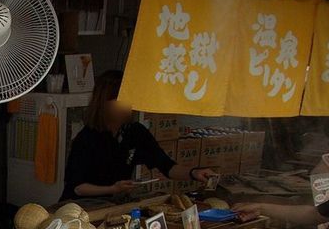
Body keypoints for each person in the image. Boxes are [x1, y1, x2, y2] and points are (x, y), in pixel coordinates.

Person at [61, 70, 217, 201]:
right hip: (79, 207)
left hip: (113, 205)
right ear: (104, 103)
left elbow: (167, 166)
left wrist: (194, 173)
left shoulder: (135, 132)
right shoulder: (87, 138)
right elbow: (78, 188)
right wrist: (112, 189)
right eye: (120, 100)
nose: (127, 105)